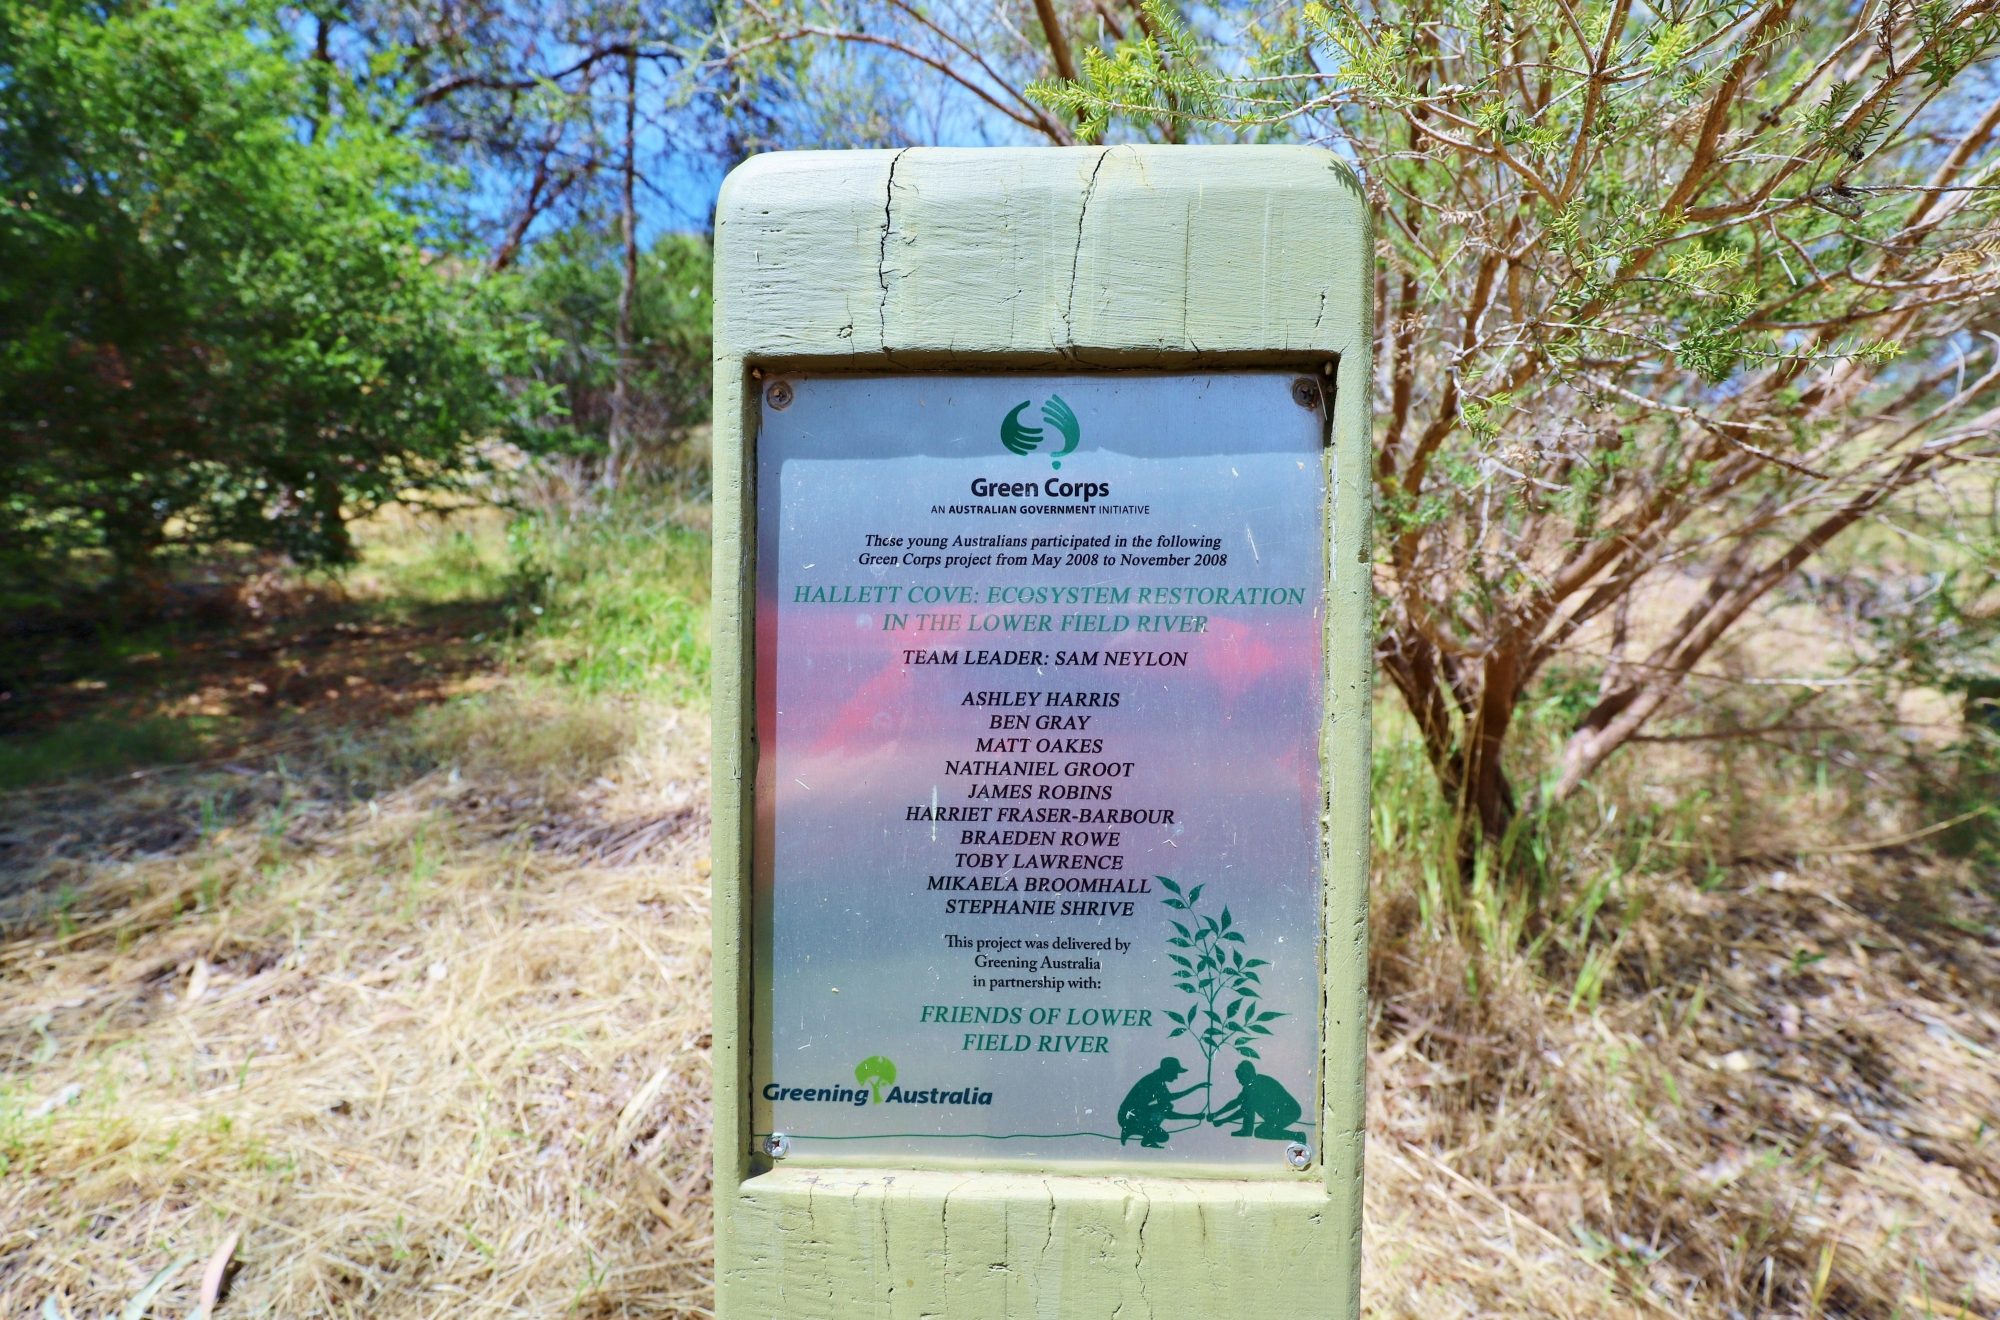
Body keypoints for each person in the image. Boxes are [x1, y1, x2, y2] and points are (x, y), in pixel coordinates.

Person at [1116, 1056, 1207, 1148]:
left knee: (1166, 1108)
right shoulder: (1155, 1081)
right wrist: (1195, 1088)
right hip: (1128, 1116)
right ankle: (1132, 1130)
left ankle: (1132, 1131)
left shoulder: (1157, 1080)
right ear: (1168, 1071)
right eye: (1175, 1073)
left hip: (1132, 1115)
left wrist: (1193, 1116)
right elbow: (1168, 1103)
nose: (1176, 1077)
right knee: (1162, 1135)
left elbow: (1166, 1105)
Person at [1209, 1060, 1306, 1142]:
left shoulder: (1258, 1085)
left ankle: (1297, 1136)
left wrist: (1223, 1120)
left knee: (1260, 1131)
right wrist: (1216, 1114)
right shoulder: (1251, 1085)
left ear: (1247, 1074)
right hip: (1278, 1112)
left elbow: (1243, 1111)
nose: (1239, 1081)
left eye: (1240, 1078)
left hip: (1289, 1112)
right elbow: (1236, 1102)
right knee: (1248, 1105)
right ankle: (1246, 1130)